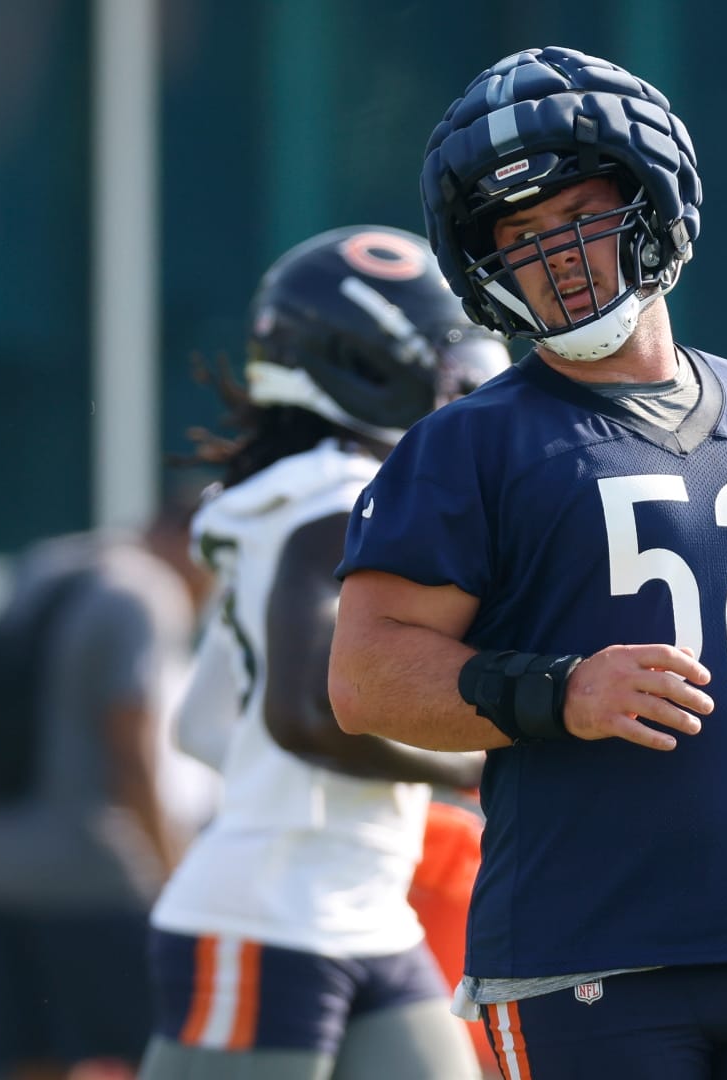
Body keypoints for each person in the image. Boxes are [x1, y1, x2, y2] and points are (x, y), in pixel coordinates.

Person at [327, 46, 727, 1080]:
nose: (554, 256)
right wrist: (561, 690)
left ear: (649, 203)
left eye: (575, 215)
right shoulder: (468, 443)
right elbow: (365, 678)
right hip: (588, 958)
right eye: (520, 237)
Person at [140, 225, 510, 1080]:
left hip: (362, 908)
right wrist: (485, 753)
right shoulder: (338, 497)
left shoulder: (296, 497)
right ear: (369, 363)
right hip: (269, 914)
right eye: (451, 366)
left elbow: (205, 724)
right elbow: (309, 713)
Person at [0, 502, 210, 1079]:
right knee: (160, 1053)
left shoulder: (46, 565)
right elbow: (131, 747)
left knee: (30, 1058)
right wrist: (178, 873)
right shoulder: (145, 593)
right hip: (95, 874)